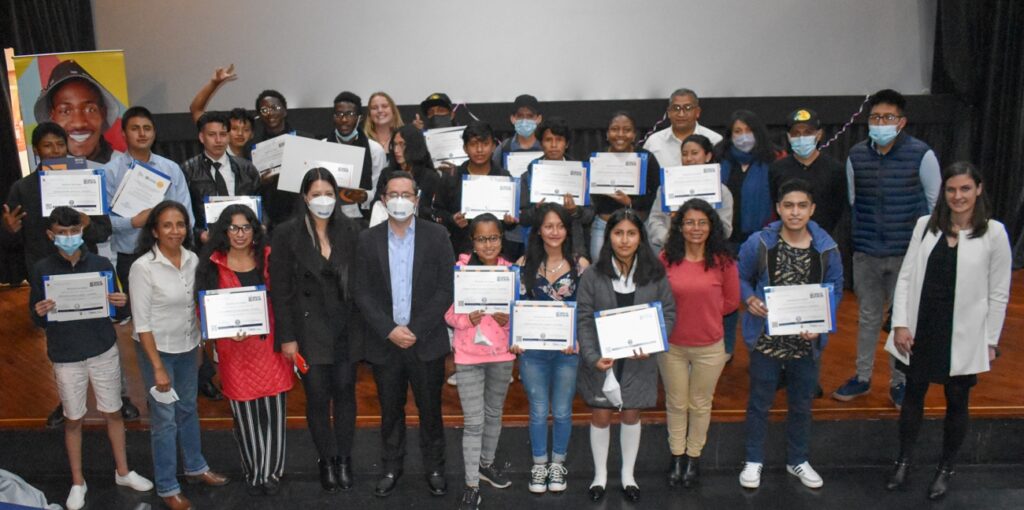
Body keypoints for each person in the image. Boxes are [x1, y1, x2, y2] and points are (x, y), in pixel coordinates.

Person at [883, 162, 1011, 500]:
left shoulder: (995, 233)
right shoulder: (926, 225)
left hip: (964, 333)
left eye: (965, 189)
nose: (958, 196)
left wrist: (990, 341)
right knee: (913, 395)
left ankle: (946, 468)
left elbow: (999, 291)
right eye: (951, 189)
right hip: (921, 327)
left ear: (978, 189)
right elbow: (907, 275)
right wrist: (900, 323)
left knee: (957, 400)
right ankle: (903, 460)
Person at [2, 122, 127, 428]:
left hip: (85, 273)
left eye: (60, 145)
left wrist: (87, 221)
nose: (56, 151)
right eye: (48, 146)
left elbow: (102, 230)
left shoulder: (86, 183)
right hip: (47, 276)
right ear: (36, 151)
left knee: (101, 335)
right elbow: (10, 244)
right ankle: (67, 401)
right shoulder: (23, 188)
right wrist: (9, 230)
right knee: (59, 340)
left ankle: (119, 397)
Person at [28, 207, 153, 510]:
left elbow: (118, 312)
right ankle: (77, 481)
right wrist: (39, 312)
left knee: (113, 412)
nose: (69, 237)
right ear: (51, 234)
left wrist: (121, 304)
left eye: (74, 231)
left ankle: (123, 472)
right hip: (65, 354)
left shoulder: (101, 265)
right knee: (73, 419)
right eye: (62, 232)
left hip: (102, 348)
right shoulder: (41, 269)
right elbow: (37, 318)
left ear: (82, 231)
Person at [833, 89, 941, 408]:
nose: (880, 123)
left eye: (888, 118)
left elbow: (934, 204)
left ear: (902, 122)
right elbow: (854, 201)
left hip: (907, 253)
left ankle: (899, 382)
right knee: (867, 317)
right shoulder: (855, 155)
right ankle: (862, 377)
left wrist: (922, 250)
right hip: (866, 251)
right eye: (875, 118)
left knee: (901, 321)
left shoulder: (922, 155)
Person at [353, 171, 455, 498]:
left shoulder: (437, 235)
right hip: (386, 343)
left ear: (417, 198)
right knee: (390, 411)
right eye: (393, 194)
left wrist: (415, 329)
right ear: (383, 200)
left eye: (406, 194)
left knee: (431, 410)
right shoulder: (367, 239)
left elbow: (445, 290)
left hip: (425, 341)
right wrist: (389, 329)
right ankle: (391, 467)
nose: (400, 200)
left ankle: (435, 468)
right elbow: (362, 292)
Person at [736, 179, 843, 491]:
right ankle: (753, 460)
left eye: (801, 206)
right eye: (788, 206)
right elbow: (740, 277)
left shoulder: (826, 247)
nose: (795, 212)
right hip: (766, 340)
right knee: (759, 402)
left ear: (812, 209)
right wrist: (748, 299)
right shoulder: (760, 243)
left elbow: (836, 285)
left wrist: (823, 321)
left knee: (801, 404)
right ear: (779, 209)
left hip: (805, 344)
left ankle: (798, 459)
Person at [130, 200, 230, 510]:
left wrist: (203, 345)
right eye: (167, 225)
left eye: (180, 224)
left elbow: (198, 306)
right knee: (164, 420)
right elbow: (142, 322)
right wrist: (157, 367)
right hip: (156, 351)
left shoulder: (193, 260)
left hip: (187, 347)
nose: (175, 230)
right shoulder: (142, 267)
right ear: (155, 231)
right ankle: (167, 486)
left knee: (188, 409)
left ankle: (196, 467)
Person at [270, 168, 362, 493]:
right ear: (305, 197)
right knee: (318, 398)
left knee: (346, 395)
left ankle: (345, 459)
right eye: (316, 194)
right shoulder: (286, 234)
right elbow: (279, 290)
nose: (323, 200)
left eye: (328, 193)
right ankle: (326, 458)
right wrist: (287, 338)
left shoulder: (351, 230)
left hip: (346, 328)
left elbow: (361, 283)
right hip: (308, 332)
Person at [576, 209, 676, 503]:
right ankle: (600, 476)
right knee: (601, 415)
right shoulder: (593, 274)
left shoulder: (655, 272)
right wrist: (593, 356)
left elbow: (668, 313)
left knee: (632, 414)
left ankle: (628, 476)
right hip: (602, 361)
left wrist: (653, 342)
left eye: (631, 233)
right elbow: (583, 318)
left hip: (638, 359)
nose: (624, 240)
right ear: (609, 237)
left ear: (640, 238)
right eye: (618, 233)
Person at [195, 204, 293, 496]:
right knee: (246, 416)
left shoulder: (269, 258)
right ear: (223, 231)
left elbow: (286, 299)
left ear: (256, 230)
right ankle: (255, 469)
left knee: (274, 413)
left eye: (246, 227)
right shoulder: (211, 263)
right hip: (234, 352)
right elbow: (204, 310)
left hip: (270, 346)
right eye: (234, 227)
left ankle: (272, 472)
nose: (240, 234)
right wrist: (221, 330)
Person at [659, 199, 739, 488]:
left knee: (701, 404)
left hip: (709, 346)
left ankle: (694, 457)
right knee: (677, 403)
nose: (696, 228)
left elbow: (731, 302)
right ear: (680, 227)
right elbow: (658, 297)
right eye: (689, 222)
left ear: (711, 226)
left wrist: (704, 314)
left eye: (702, 222)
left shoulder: (723, 261)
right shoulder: (667, 257)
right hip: (672, 345)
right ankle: (677, 455)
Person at [513, 203, 590, 494]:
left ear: (567, 230)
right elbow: (516, 308)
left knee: (561, 411)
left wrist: (580, 340)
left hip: (567, 352)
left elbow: (586, 309)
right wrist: (516, 338)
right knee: (538, 410)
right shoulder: (523, 265)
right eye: (548, 226)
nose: (554, 232)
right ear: (539, 231)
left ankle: (557, 464)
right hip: (533, 353)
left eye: (559, 226)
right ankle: (539, 465)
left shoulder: (582, 266)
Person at [444, 214, 516, 510]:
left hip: (502, 356)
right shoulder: (460, 271)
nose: (488, 244)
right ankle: (471, 484)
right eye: (482, 239)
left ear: (502, 238)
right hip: (468, 357)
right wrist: (466, 319)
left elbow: (521, 320)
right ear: (472, 241)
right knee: (474, 422)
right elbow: (448, 315)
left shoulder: (510, 272)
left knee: (494, 414)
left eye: (494, 238)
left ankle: (486, 464)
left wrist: (509, 320)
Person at [433, 121, 517, 254]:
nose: (479, 150)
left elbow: (510, 220)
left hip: (495, 252)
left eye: (485, 144)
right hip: (459, 249)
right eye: (473, 144)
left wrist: (509, 222)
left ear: (494, 146)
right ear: (465, 148)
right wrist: (452, 219)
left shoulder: (504, 177)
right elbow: (437, 212)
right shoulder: (451, 178)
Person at [181, 111, 263, 245]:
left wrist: (262, 224)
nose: (218, 140)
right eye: (212, 135)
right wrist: (199, 234)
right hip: (207, 244)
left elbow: (261, 204)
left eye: (223, 134)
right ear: (202, 137)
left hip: (244, 240)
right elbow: (182, 212)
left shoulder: (247, 168)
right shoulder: (187, 170)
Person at [517, 117, 593, 260]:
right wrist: (536, 210)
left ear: (567, 144)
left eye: (559, 140)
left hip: (574, 247)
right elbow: (522, 217)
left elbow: (590, 215)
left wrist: (575, 211)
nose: (553, 145)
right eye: (548, 140)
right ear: (541, 143)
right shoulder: (528, 176)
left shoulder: (581, 174)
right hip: (538, 249)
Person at [590, 111, 663, 256]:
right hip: (604, 226)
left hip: (640, 224)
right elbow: (593, 199)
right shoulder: (598, 159)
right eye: (615, 129)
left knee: (651, 269)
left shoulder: (646, 159)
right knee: (599, 272)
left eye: (627, 130)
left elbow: (656, 195)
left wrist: (630, 202)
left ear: (634, 135)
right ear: (607, 134)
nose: (620, 134)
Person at [647, 134, 734, 252]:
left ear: (708, 156)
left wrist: (699, 237)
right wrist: (669, 239)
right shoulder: (665, 188)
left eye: (694, 153)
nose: (688, 158)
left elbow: (725, 228)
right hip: (672, 251)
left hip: (710, 252)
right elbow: (655, 220)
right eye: (684, 154)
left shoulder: (722, 191)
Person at [768, 108, 848, 234]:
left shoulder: (835, 169)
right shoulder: (777, 169)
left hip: (824, 240)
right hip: (787, 239)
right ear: (789, 137)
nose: (801, 137)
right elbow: (774, 203)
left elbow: (839, 209)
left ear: (819, 134)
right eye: (796, 133)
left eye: (807, 132)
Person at [33, 59, 122, 163]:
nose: (78, 124)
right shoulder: (44, 176)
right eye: (65, 111)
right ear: (52, 117)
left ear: (103, 114)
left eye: (90, 110)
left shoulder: (125, 170)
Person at [326, 91, 388, 221]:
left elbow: (379, 189)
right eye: (339, 114)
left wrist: (364, 196)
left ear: (359, 118)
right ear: (333, 117)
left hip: (362, 217)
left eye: (350, 114)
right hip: (328, 216)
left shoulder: (375, 150)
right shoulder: (322, 146)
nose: (344, 119)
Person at [718, 110, 777, 245]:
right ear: (730, 135)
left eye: (748, 130)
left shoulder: (773, 160)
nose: (744, 136)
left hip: (763, 239)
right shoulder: (720, 160)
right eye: (738, 131)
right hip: (724, 241)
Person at [371, 124, 441, 221]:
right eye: (394, 144)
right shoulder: (386, 174)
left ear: (415, 146)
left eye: (402, 145)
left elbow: (436, 211)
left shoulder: (431, 177)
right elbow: (377, 205)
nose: (396, 150)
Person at [642, 88, 722, 167]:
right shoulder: (654, 142)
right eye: (676, 108)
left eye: (687, 108)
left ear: (697, 112)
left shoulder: (714, 140)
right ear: (669, 112)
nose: (681, 114)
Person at [492, 94, 543, 170]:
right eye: (520, 116)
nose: (525, 120)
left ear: (539, 119)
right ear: (513, 118)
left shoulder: (546, 147)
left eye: (530, 116)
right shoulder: (503, 148)